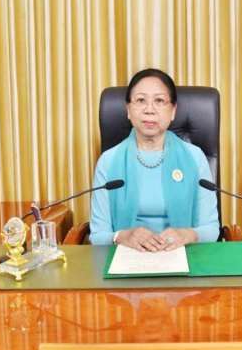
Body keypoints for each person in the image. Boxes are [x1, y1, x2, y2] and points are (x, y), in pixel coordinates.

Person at [89, 69, 220, 250]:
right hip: (127, 257)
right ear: (128, 110)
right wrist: (122, 236)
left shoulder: (194, 157)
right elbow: (97, 236)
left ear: (173, 111)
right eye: (140, 100)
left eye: (159, 101)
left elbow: (211, 229)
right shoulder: (108, 162)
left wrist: (187, 234)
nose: (149, 110)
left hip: (182, 255)